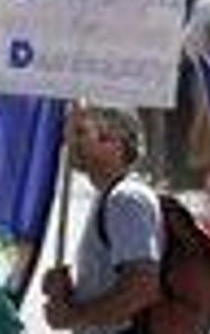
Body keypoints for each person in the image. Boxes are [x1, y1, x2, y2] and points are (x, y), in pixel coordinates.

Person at [42, 108, 164, 334]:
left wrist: (76, 317)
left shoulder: (126, 199)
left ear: (114, 142)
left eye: (80, 133)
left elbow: (142, 287)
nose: (70, 142)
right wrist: (72, 292)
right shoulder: (110, 196)